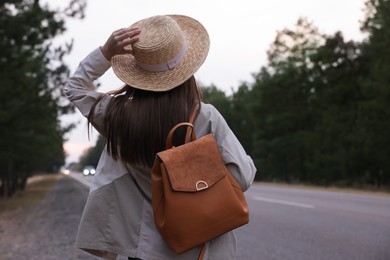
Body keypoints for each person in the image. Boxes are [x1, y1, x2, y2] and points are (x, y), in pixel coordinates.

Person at [64, 14, 256, 260]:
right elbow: (242, 177)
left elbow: (75, 88)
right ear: (187, 68)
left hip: (142, 249)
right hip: (198, 248)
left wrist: (105, 53)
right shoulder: (205, 117)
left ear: (136, 73)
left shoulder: (117, 116)